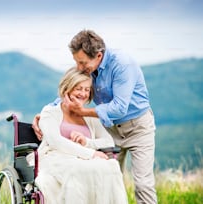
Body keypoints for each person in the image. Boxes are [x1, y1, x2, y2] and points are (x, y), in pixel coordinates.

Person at [33, 29, 157, 204]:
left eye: (82, 63)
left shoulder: (122, 65)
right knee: (108, 177)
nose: (80, 68)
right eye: (77, 62)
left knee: (144, 184)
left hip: (138, 128)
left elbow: (120, 108)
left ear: (98, 56)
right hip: (110, 127)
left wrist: (84, 113)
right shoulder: (88, 68)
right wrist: (47, 111)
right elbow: (72, 88)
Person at [32, 67, 128, 204]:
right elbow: (56, 142)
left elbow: (108, 142)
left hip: (83, 159)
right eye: (78, 88)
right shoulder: (49, 112)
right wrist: (91, 153)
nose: (83, 93)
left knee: (111, 166)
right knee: (79, 169)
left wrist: (87, 142)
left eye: (87, 89)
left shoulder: (90, 117)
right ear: (67, 89)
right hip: (55, 157)